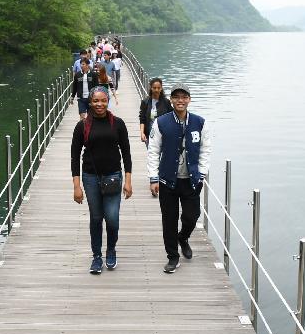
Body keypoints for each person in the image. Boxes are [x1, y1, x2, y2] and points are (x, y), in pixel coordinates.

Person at [147, 83, 212, 274]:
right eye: (176, 97)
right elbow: (153, 150)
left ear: (189, 99)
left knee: (192, 216)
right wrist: (153, 177)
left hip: (191, 179)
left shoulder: (200, 123)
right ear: (171, 100)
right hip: (168, 180)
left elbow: (206, 150)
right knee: (169, 219)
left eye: (184, 97)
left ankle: (183, 237)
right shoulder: (161, 122)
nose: (180, 100)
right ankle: (173, 257)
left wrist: (202, 171)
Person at [71, 87, 133, 273]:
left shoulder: (118, 124)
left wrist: (128, 181)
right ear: (90, 102)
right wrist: (76, 186)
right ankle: (97, 256)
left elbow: (127, 154)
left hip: (113, 176)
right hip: (90, 177)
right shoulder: (82, 126)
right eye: (96, 101)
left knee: (112, 219)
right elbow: (74, 157)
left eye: (103, 100)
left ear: (108, 101)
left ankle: (111, 250)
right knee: (96, 218)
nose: (100, 104)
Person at [138, 78, 173, 146]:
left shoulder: (166, 102)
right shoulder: (145, 102)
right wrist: (142, 133)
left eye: (158, 88)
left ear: (161, 88)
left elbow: (172, 116)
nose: (156, 90)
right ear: (151, 88)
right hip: (149, 133)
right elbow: (142, 119)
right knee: (151, 154)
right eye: (154, 88)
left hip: (163, 134)